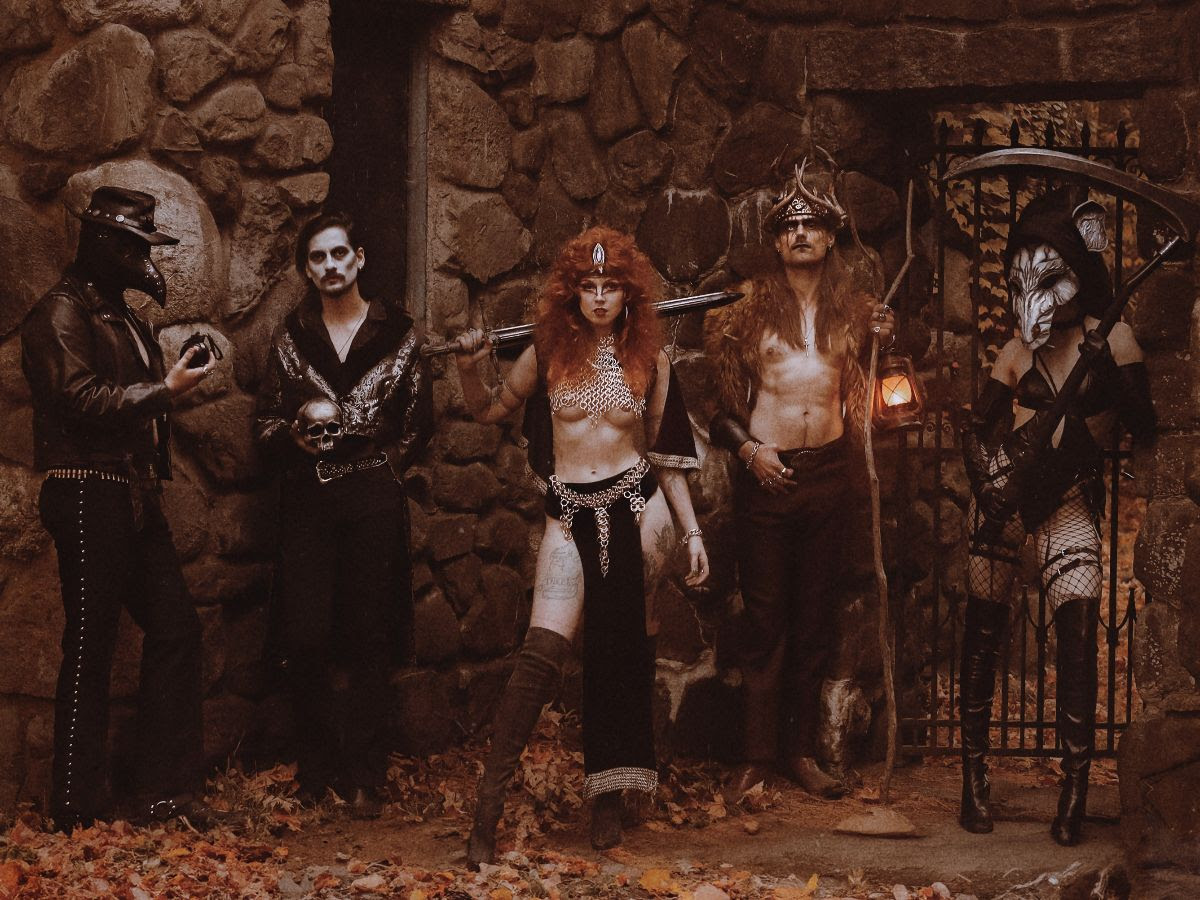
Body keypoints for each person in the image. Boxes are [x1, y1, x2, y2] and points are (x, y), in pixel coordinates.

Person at [453, 226, 709, 866]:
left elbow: (667, 455)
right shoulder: (545, 351)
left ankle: (608, 801)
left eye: (611, 286)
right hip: (568, 515)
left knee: (620, 648)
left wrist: (692, 532)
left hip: (636, 507)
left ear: (628, 294)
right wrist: (467, 366)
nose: (599, 297)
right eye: (589, 286)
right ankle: (486, 813)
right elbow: (487, 409)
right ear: (572, 292)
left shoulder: (651, 358)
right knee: (541, 652)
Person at [21, 186, 224, 830]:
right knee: (91, 644)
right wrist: (165, 390)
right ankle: (75, 807)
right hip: (86, 490)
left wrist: (170, 378)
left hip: (130, 491)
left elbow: (127, 394)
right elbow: (78, 398)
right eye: (134, 247)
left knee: (176, 630)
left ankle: (163, 793)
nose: (144, 261)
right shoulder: (59, 312)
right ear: (102, 242)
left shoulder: (123, 317)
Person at [958, 191, 1155, 845]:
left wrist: (1110, 370)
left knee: (1077, 635)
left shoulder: (1115, 338)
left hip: (1068, 501)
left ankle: (1073, 793)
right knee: (982, 634)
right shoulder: (1016, 351)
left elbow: (1143, 425)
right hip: (1003, 501)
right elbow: (976, 426)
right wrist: (984, 486)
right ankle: (973, 781)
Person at [704, 161, 894, 801]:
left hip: (829, 476)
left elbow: (873, 381)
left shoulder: (855, 311)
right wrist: (750, 451)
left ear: (832, 236)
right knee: (765, 622)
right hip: (767, 476)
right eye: (790, 227)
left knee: (814, 620)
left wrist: (884, 338)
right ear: (777, 241)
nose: (802, 234)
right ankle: (755, 757)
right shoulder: (745, 313)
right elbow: (719, 408)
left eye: (813, 224)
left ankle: (799, 752)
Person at [254, 211, 432, 817]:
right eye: (317, 258)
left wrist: (383, 472)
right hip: (307, 499)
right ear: (307, 270)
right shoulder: (292, 335)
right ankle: (316, 766)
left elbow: (418, 424)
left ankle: (365, 774)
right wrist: (292, 441)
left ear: (359, 258)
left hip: (372, 498)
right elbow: (264, 421)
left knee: (369, 636)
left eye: (338, 254)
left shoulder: (399, 333)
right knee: (305, 636)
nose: (329, 266)